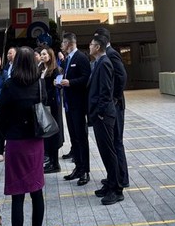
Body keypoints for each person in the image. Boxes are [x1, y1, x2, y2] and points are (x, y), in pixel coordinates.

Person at [0, 47, 46, 226]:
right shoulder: (39, 84)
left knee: (18, 195)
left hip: (16, 142)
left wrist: (6, 135)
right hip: (36, 141)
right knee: (37, 192)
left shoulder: (9, 85)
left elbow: (0, 117)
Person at [92, 27, 128, 195]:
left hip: (113, 106)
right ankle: (114, 177)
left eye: (95, 39)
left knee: (116, 143)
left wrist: (114, 98)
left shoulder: (111, 55)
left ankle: (121, 178)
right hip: (109, 105)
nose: (92, 44)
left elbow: (121, 77)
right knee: (111, 144)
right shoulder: (103, 57)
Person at [87, 33, 121, 205]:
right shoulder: (98, 62)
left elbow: (106, 91)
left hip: (104, 115)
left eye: (91, 44)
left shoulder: (105, 63)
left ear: (98, 47)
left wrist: (100, 112)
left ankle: (116, 189)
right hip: (99, 114)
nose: (89, 46)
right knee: (104, 152)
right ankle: (110, 183)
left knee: (109, 151)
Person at [58, 33, 90, 186]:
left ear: (70, 44)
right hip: (69, 105)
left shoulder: (81, 58)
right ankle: (78, 167)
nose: (61, 46)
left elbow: (86, 78)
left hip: (78, 105)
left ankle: (85, 170)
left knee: (81, 138)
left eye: (63, 43)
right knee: (74, 138)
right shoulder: (68, 59)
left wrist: (70, 82)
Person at [37, 48, 64, 174]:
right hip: (44, 105)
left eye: (44, 54)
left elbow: (58, 87)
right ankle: (51, 161)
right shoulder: (41, 69)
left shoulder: (55, 69)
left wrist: (56, 85)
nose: (42, 56)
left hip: (53, 105)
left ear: (50, 55)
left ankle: (55, 163)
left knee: (54, 133)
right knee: (47, 133)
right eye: (41, 54)